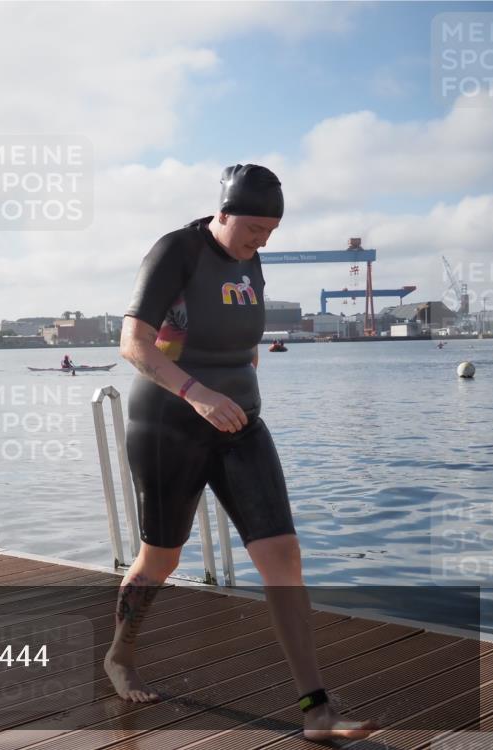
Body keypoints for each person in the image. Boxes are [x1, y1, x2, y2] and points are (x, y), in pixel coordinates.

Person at [106, 164, 378, 742]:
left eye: (271, 231)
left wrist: (240, 389)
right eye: (253, 227)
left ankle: (316, 710)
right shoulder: (176, 250)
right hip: (168, 426)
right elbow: (132, 342)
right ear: (223, 213)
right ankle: (121, 654)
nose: (262, 241)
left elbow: (242, 338)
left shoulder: (250, 260)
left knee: (283, 557)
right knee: (161, 559)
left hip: (240, 426)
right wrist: (198, 393)